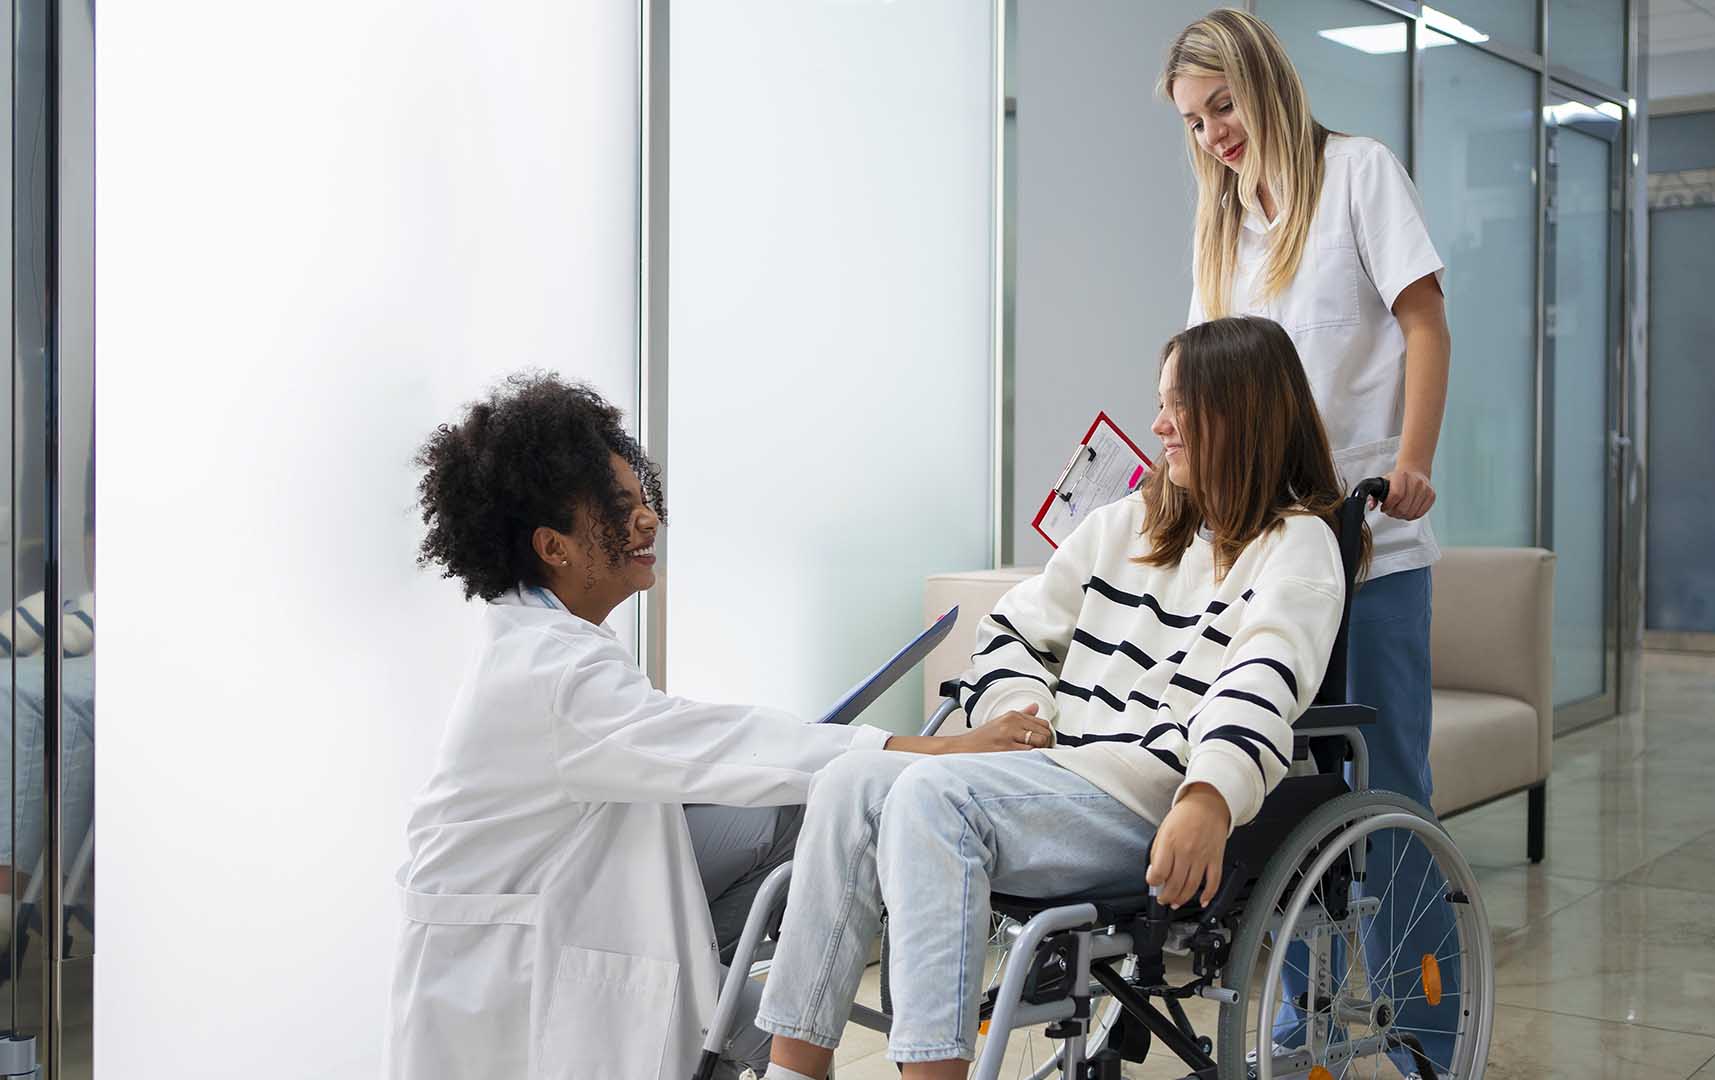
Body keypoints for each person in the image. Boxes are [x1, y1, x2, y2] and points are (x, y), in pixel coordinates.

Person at [384, 373, 1033, 1080]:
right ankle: (789, 1041)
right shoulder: (547, 671)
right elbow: (718, 744)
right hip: (507, 979)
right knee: (810, 804)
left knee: (791, 817)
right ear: (554, 546)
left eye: (643, 499)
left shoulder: (546, 638)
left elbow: (713, 752)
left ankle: (771, 1029)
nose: (647, 520)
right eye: (618, 508)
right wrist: (935, 751)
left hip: (564, 919)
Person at [756, 317, 1349, 1080]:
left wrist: (1208, 797)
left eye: (1180, 406)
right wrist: (1023, 714)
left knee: (933, 797)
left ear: (1240, 415)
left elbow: (1262, 681)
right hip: (1052, 778)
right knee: (846, 780)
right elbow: (1009, 632)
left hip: (1150, 800)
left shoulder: (1297, 544)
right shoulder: (1129, 524)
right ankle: (793, 1072)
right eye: (1160, 403)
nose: (1159, 425)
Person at [1161, 9, 1458, 1072]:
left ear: (1265, 81)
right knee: (1272, 789)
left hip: (1372, 546)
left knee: (1388, 795)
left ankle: (1428, 1039)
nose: (1214, 134)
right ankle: (1301, 1028)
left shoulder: (1359, 175)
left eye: (1223, 105)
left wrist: (1413, 462)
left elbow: (1425, 323)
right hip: (1269, 561)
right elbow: (1206, 385)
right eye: (1195, 122)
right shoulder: (1223, 229)